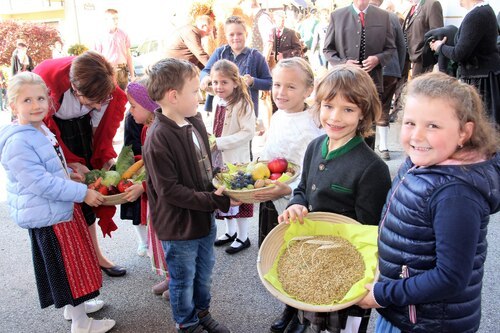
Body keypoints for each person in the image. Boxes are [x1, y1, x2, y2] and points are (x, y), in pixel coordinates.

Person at [357, 72, 500, 333]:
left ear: (464, 132)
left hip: (427, 322)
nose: (417, 136)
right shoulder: (421, 163)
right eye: (410, 123)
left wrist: (383, 294)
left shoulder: (456, 195)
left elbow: (450, 277)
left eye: (433, 126)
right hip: (403, 308)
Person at [278, 65, 392, 333]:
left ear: (363, 112)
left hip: (346, 271)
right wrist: (296, 202)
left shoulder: (372, 168)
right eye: (328, 106)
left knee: (342, 327)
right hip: (313, 259)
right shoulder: (315, 146)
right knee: (314, 319)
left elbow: (369, 232)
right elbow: (303, 188)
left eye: (348, 109)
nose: (335, 117)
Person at [0, 72, 115, 333]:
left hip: (57, 209)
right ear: (12, 106)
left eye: (40, 98)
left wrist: (70, 174)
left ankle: (74, 308)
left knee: (69, 266)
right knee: (69, 269)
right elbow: (40, 183)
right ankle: (81, 323)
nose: (36, 105)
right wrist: (81, 192)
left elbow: (50, 170)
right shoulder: (19, 141)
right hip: (50, 215)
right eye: (27, 100)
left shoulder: (39, 130)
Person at [143, 58, 235, 333]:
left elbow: (205, 164)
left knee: (204, 274)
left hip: (203, 219)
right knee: (183, 280)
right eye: (194, 91)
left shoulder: (194, 121)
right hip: (179, 226)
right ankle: (187, 322)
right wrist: (213, 200)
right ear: (173, 96)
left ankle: (202, 311)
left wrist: (222, 181)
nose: (201, 96)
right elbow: (169, 191)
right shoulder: (158, 137)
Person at [33, 51, 128, 277]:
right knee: (69, 196)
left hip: (82, 130)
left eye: (101, 101)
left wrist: (101, 154)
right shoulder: (47, 82)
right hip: (54, 133)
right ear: (75, 89)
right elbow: (43, 128)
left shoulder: (103, 86)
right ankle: (76, 263)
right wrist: (71, 162)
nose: (97, 106)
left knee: (87, 194)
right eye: (91, 101)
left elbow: (100, 127)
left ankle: (95, 255)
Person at [255, 57, 323, 333]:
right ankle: (288, 307)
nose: (280, 92)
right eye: (277, 85)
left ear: (308, 90)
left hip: (295, 206)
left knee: (296, 259)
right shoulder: (279, 114)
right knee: (277, 258)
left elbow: (311, 177)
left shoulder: (311, 127)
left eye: (290, 87)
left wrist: (289, 191)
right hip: (272, 201)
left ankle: (302, 315)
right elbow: (270, 152)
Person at [322, 0, 396, 149]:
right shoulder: (337, 16)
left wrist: (378, 59)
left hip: (372, 83)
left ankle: (367, 160)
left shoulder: (384, 16)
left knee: (369, 125)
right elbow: (327, 50)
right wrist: (343, 63)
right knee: (343, 123)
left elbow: (391, 48)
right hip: (344, 83)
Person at [209, 59, 256, 254]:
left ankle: (243, 237)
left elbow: (248, 132)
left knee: (239, 195)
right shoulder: (217, 101)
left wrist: (219, 142)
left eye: (224, 82)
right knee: (225, 194)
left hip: (236, 159)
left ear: (235, 82)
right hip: (219, 157)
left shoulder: (242, 104)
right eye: (215, 82)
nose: (219, 87)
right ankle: (229, 232)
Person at [430, 0, 500, 127]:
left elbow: (459, 53)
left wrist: (440, 47)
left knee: (482, 128)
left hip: (481, 80)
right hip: (483, 76)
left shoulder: (477, 15)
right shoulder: (484, 11)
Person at [200, 15, 272, 118]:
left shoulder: (256, 56)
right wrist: (205, 78)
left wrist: (253, 81)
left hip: (245, 112)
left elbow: (269, 83)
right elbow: (205, 71)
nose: (236, 38)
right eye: (231, 34)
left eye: (239, 34)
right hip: (221, 110)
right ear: (226, 35)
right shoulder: (220, 53)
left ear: (246, 34)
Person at [370, 0, 406, 161]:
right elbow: (401, 46)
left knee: (368, 109)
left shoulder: (361, 17)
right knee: (383, 107)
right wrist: (399, 69)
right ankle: (383, 146)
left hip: (369, 71)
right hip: (390, 70)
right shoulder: (392, 17)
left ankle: (368, 148)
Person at [94, 8, 135, 90]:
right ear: (106, 20)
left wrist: (132, 75)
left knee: (123, 98)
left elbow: (128, 56)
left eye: (117, 18)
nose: (116, 21)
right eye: (113, 18)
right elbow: (97, 58)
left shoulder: (124, 34)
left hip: (123, 72)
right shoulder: (100, 37)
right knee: (110, 97)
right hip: (108, 72)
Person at [402, 0, 443, 76]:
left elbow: (436, 33)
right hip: (408, 57)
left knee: (417, 86)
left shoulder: (432, 4)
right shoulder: (412, 7)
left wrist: (424, 53)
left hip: (422, 58)